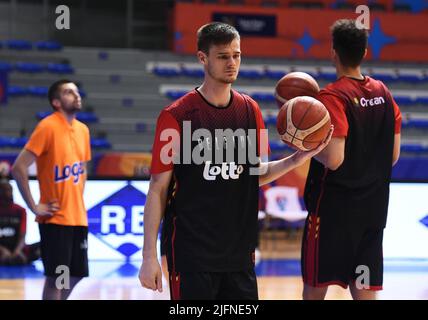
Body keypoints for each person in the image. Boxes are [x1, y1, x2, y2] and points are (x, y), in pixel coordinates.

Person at [139, 22, 332, 300]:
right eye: (223, 56)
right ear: (202, 58)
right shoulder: (176, 116)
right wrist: (149, 257)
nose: (232, 63)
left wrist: (298, 158)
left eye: (237, 55)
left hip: (240, 255)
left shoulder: (250, 110)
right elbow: (157, 189)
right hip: (191, 254)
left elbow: (253, 175)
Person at [301, 19, 402, 300]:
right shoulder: (385, 94)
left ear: (333, 52)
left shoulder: (332, 96)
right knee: (364, 288)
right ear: (365, 52)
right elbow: (392, 157)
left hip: (333, 213)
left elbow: (334, 159)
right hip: (372, 212)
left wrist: (306, 144)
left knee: (316, 287)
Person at [12, 79, 91, 300]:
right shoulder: (47, 126)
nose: (76, 95)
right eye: (68, 92)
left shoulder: (83, 130)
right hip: (56, 219)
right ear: (56, 102)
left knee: (76, 274)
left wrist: (76, 196)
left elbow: (82, 168)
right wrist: (34, 206)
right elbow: (19, 168)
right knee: (58, 278)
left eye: (76, 91)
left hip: (78, 218)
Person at [0, 177, 40, 265]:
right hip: (2, 248)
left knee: (42, 246)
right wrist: (2, 250)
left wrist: (17, 251)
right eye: (5, 190)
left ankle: (15, 258)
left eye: (10, 190)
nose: (9, 193)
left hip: (16, 246)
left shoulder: (20, 210)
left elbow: (22, 235)